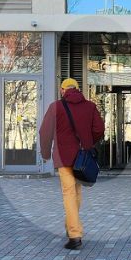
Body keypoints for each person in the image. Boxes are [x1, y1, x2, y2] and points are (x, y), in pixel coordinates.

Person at [39, 78, 104, 249]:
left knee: (69, 194)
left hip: (64, 157)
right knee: (76, 193)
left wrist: (45, 153)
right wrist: (88, 142)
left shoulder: (56, 107)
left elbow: (45, 132)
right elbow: (99, 129)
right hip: (82, 158)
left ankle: (75, 235)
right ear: (77, 89)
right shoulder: (90, 106)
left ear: (62, 90)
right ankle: (71, 226)